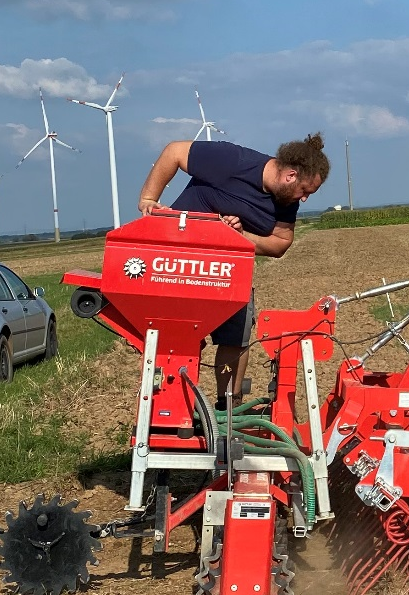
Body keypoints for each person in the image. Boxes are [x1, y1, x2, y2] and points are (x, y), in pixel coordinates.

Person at [136, 132, 330, 402]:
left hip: (228, 272)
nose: (305, 198)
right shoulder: (234, 161)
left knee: (235, 338)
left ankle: (229, 404)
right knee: (175, 341)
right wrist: (148, 198)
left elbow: (280, 243)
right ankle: (164, 404)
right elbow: (174, 152)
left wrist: (238, 236)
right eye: (305, 191)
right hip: (180, 265)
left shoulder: (286, 200)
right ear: (291, 175)